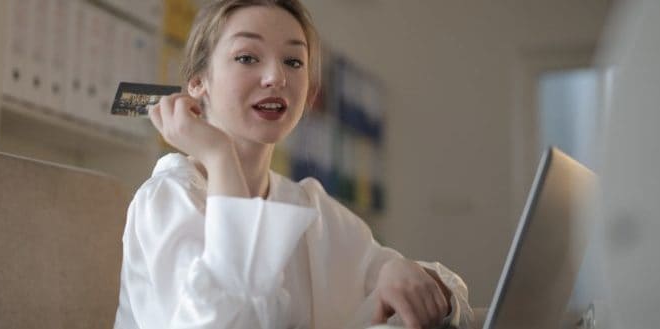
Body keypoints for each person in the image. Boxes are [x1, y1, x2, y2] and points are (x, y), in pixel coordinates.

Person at [113, 1, 473, 328]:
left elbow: (448, 295)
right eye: (247, 57)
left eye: (293, 61)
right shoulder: (167, 196)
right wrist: (219, 156)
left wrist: (403, 269)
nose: (276, 77)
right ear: (198, 83)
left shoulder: (308, 204)